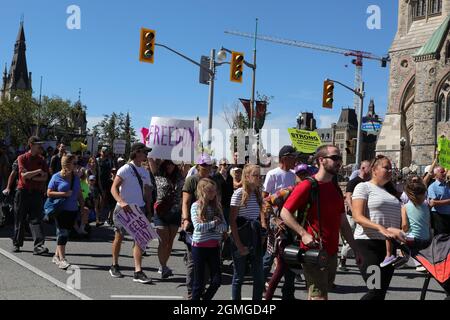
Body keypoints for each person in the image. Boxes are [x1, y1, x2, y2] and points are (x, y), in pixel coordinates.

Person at [280, 145, 361, 300]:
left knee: (318, 294)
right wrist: (303, 234)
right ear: (321, 160)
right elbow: (285, 212)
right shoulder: (308, 185)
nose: (339, 162)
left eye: (340, 158)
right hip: (313, 251)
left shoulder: (335, 188)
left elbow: (343, 223)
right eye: (335, 158)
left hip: (331, 253)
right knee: (320, 297)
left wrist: (356, 249)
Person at [352, 154, 407, 300]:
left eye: (391, 169)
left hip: (389, 247)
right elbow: (358, 217)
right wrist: (380, 228)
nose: (390, 171)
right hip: (368, 245)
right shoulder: (363, 187)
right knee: (374, 290)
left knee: (380, 293)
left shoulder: (391, 192)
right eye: (386, 168)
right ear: (374, 170)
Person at [109, 143, 154, 283]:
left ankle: (138, 271)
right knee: (119, 236)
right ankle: (114, 265)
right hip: (124, 209)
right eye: (144, 152)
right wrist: (122, 202)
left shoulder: (145, 171)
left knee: (140, 239)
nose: (146, 155)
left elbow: (147, 193)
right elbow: (113, 188)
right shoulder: (125, 169)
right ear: (136, 152)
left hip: (139, 209)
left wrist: (149, 209)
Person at [262, 145, 298, 300]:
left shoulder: (294, 175)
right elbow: (264, 199)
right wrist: (269, 220)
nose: (295, 160)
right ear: (284, 158)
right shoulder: (273, 174)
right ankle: (261, 285)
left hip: (291, 221)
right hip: (275, 221)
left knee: (290, 257)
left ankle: (288, 293)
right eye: (293, 157)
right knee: (271, 256)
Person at [230, 164, 265, 300]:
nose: (259, 178)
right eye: (256, 176)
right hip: (241, 236)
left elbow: (260, 214)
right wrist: (239, 245)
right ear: (247, 177)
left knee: (259, 278)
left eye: (260, 176)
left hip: (254, 236)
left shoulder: (257, 193)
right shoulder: (238, 193)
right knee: (239, 277)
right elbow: (232, 221)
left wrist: (263, 232)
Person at [181, 153, 214, 299]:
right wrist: (186, 219)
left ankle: (200, 288)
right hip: (194, 224)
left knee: (208, 260)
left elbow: (216, 202)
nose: (206, 167)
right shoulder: (192, 180)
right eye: (204, 165)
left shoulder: (213, 181)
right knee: (193, 260)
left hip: (210, 224)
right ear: (198, 165)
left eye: (208, 165)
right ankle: (191, 290)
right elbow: (186, 202)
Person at [190, 178, 228, 300]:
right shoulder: (196, 206)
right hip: (199, 247)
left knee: (217, 281)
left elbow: (224, 227)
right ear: (202, 191)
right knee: (199, 283)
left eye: (214, 191)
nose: (213, 193)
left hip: (214, 247)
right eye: (210, 191)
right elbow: (198, 227)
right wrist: (214, 223)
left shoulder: (217, 206)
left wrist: (213, 225)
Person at [13, 136, 49, 255]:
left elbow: (45, 177)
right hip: (22, 192)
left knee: (36, 219)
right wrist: (38, 172)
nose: (41, 147)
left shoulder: (42, 160)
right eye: (39, 144)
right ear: (31, 145)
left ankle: (38, 246)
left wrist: (32, 176)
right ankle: (17, 244)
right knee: (20, 218)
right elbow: (24, 176)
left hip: (36, 193)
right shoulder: (22, 158)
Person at [149, 158, 184, 279]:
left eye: (172, 164)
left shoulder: (180, 176)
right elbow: (151, 159)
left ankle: (163, 265)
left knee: (170, 242)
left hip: (175, 212)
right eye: (167, 164)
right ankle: (163, 267)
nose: (170, 166)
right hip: (161, 212)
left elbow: (188, 162)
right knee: (163, 241)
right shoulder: (158, 175)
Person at [47, 155, 84, 269]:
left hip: (73, 209)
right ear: (66, 164)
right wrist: (63, 194)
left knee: (65, 234)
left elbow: (79, 194)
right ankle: (62, 259)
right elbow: (49, 193)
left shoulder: (76, 178)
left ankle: (56, 256)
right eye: (74, 163)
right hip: (60, 209)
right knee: (62, 233)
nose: (76, 165)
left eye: (76, 163)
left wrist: (82, 206)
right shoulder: (56, 177)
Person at [339, 160, 371, 271]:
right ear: (363, 168)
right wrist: (354, 212)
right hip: (352, 215)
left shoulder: (368, 183)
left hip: (363, 214)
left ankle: (362, 259)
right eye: (369, 168)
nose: (371, 170)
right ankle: (342, 260)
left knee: (361, 237)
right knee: (351, 237)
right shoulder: (354, 182)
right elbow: (348, 198)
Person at [401, 177, 432, 258]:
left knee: (398, 234)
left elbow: (405, 226)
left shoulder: (405, 207)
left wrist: (402, 232)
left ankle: (408, 256)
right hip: (426, 239)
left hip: (413, 239)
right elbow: (429, 223)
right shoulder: (426, 206)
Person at [428, 166, 450, 235]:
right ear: (435, 174)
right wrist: (448, 201)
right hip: (438, 216)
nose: (444, 173)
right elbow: (433, 203)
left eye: (444, 171)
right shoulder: (432, 187)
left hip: (448, 215)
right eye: (442, 172)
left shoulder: (447, 185)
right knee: (440, 237)